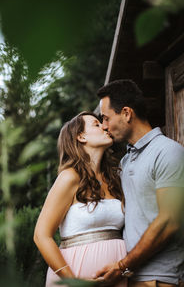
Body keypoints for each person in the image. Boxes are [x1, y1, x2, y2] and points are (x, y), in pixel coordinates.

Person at [95, 79, 184, 287]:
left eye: (106, 118)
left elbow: (169, 221)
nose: (104, 126)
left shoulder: (168, 151)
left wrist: (122, 265)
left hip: (163, 278)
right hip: (134, 277)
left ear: (127, 114)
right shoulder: (126, 160)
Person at [34, 111, 127, 287]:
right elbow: (41, 235)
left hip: (116, 277)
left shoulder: (115, 179)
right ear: (81, 136)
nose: (105, 126)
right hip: (75, 275)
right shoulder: (69, 177)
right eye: (96, 124)